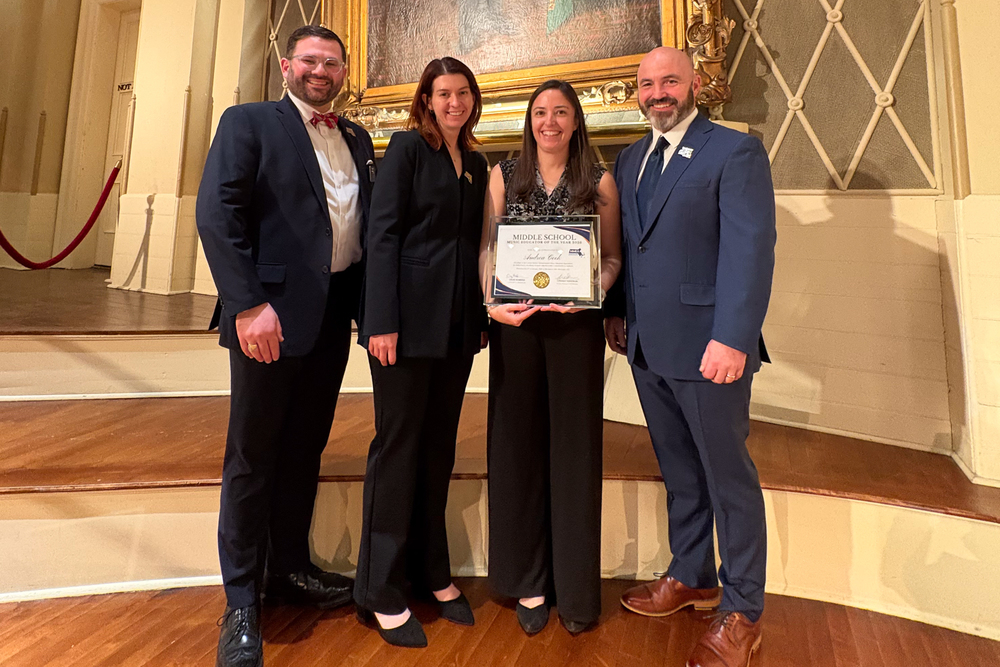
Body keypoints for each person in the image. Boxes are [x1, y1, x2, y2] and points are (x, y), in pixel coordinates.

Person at [196, 25, 374, 667]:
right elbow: (217, 214)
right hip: (266, 319)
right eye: (310, 61)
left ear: (344, 72)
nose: (321, 71)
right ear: (285, 65)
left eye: (332, 63)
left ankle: (290, 568)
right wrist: (247, 305)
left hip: (330, 320)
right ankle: (242, 601)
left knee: (304, 449)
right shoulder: (247, 122)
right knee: (253, 457)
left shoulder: (356, 137)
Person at [604, 47, 775, 667]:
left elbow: (751, 251)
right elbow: (631, 245)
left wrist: (734, 337)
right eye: (647, 83)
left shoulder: (734, 152)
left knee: (728, 479)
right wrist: (616, 311)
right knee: (680, 471)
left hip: (709, 348)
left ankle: (743, 610)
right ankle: (692, 573)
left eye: (670, 80)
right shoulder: (630, 159)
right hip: (648, 345)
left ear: (695, 84)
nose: (658, 92)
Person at [353, 56, 489, 649]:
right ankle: (380, 588)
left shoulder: (476, 163)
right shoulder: (408, 149)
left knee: (437, 450)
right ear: (427, 101)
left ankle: (432, 571)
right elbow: (381, 234)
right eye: (443, 94)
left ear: (473, 99)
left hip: (456, 330)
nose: (454, 102)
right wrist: (380, 321)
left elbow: (474, 245)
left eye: (462, 93)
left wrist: (477, 320)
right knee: (399, 449)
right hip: (403, 328)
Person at [482, 79, 622, 636]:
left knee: (574, 452)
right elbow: (487, 249)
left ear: (575, 120)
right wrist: (491, 302)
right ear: (529, 120)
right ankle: (530, 582)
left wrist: (591, 291)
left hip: (574, 331)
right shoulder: (503, 174)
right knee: (517, 449)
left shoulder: (599, 179)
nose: (550, 122)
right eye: (540, 112)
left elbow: (611, 259)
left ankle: (576, 589)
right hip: (515, 329)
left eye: (561, 112)